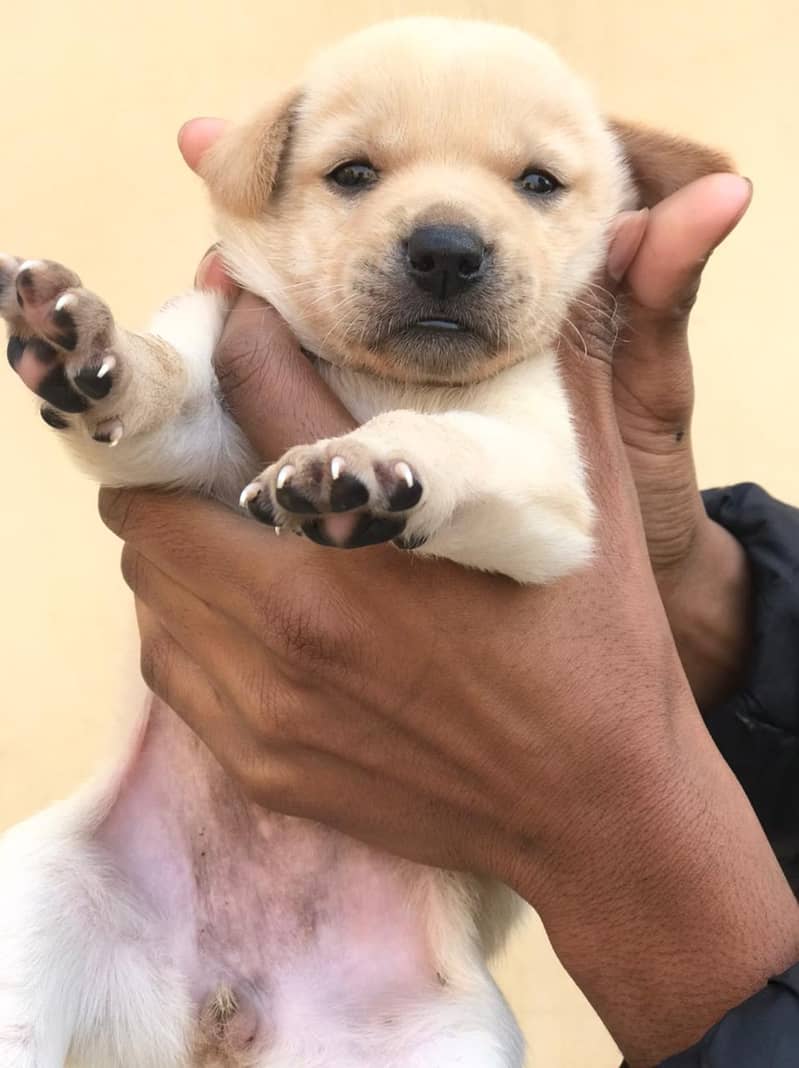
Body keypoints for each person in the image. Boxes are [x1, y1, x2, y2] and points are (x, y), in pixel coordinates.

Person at [97, 119, 799, 1066]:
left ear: (618, 214)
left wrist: (611, 816)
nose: (444, 236)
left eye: (540, 182)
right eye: (353, 171)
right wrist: (711, 608)